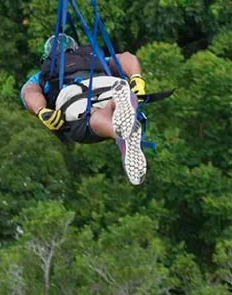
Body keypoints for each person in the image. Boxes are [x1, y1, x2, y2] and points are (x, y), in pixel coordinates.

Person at [20, 34, 148, 185]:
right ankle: (123, 105)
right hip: (109, 83)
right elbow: (124, 58)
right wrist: (136, 77)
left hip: (73, 94)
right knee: (116, 98)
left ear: (46, 58)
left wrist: (41, 110)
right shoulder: (93, 59)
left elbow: (29, 92)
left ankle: (119, 135)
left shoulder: (42, 75)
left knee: (89, 116)